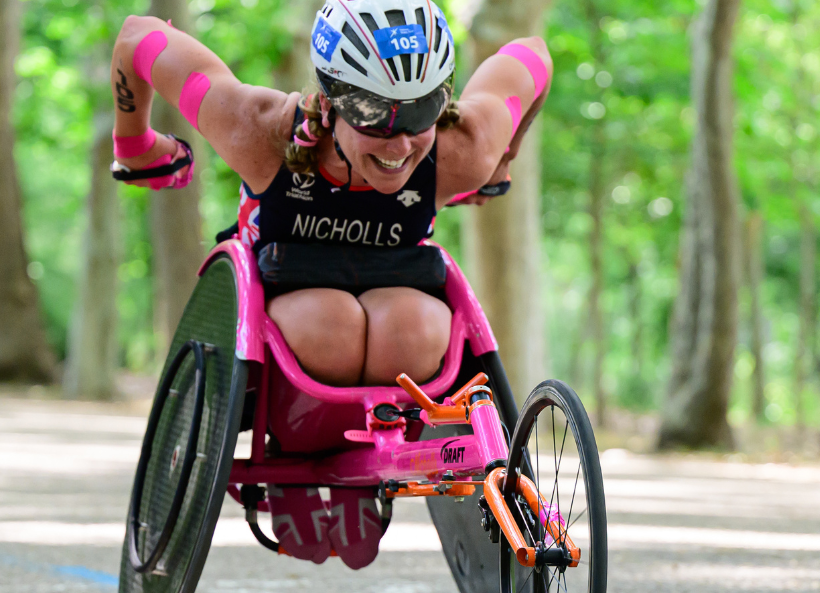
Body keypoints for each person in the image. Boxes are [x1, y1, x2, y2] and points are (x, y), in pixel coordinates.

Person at [110, 0, 551, 569]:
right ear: (331, 99)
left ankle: (357, 465)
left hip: (398, 291)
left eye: (417, 117)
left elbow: (533, 54)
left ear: (442, 103)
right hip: (293, 290)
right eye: (373, 118)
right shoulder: (257, 127)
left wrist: (499, 161)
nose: (397, 148)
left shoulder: (463, 146)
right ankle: (297, 455)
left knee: (418, 330)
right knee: (331, 326)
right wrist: (135, 144)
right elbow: (138, 36)